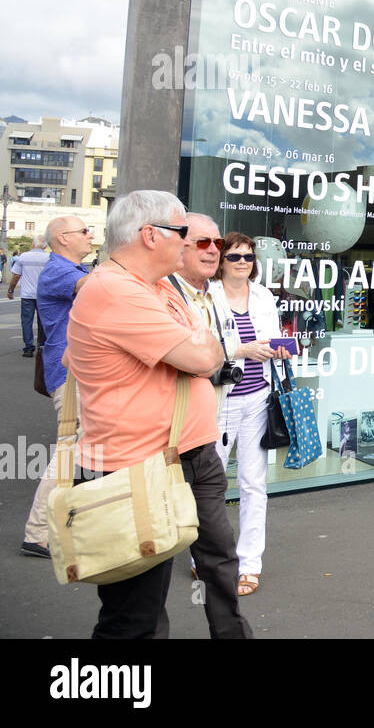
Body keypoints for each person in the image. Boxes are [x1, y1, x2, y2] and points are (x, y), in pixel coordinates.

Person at [64, 190, 252, 639]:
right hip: (137, 467)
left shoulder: (156, 288)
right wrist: (200, 342)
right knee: (136, 612)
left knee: (218, 561)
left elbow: (204, 348)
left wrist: (199, 342)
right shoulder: (116, 290)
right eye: (183, 232)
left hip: (188, 454)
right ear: (150, 235)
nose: (190, 243)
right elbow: (206, 358)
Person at [207, 232, 288, 597]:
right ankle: (205, 557)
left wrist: (279, 350)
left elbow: (270, 340)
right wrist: (243, 350)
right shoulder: (207, 297)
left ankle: (249, 563)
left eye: (249, 257)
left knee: (255, 484)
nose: (243, 262)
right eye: (235, 256)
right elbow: (201, 348)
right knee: (210, 485)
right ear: (221, 261)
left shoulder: (263, 296)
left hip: (258, 398)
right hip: (218, 400)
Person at [19, 217, 94, 558]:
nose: (89, 234)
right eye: (83, 230)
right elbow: (99, 289)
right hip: (71, 375)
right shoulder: (60, 271)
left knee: (80, 448)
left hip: (76, 373)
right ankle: (37, 533)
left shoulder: (71, 269)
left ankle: (62, 525)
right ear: (63, 238)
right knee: (69, 450)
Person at [8, 235, 49, 356]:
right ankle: (42, 345)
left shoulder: (23, 257)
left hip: (27, 295)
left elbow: (16, 276)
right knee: (43, 321)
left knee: (26, 321)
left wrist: (11, 290)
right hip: (43, 295)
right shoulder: (49, 258)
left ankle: (28, 347)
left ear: (32, 244)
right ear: (46, 246)